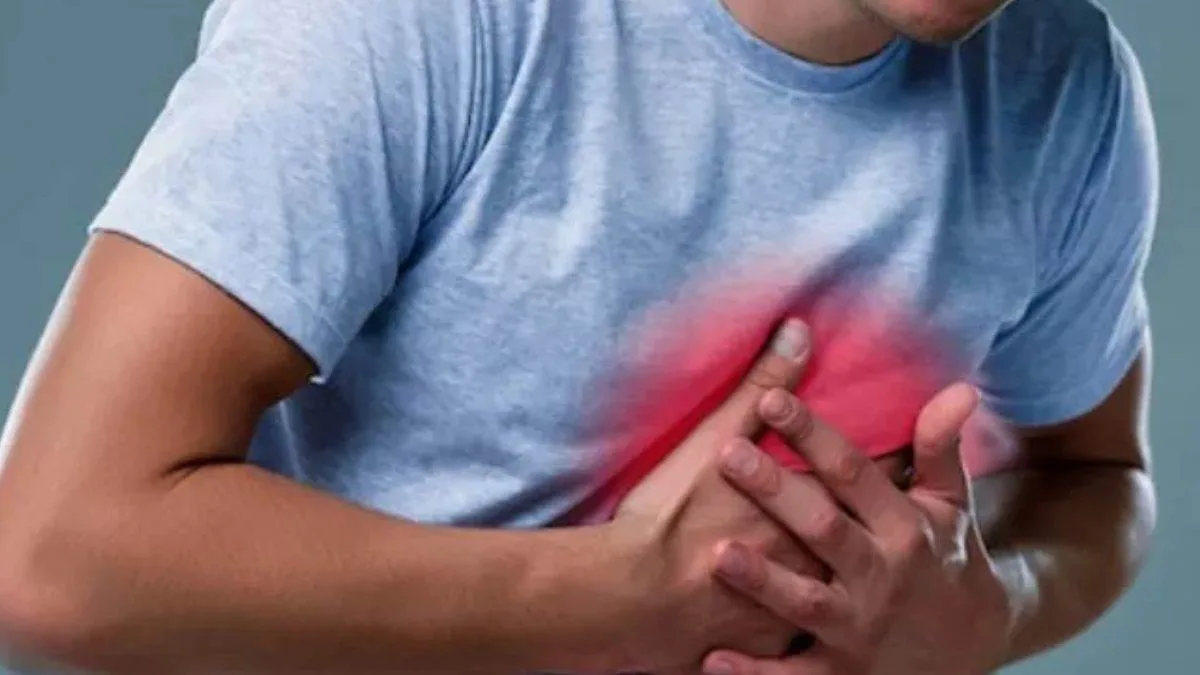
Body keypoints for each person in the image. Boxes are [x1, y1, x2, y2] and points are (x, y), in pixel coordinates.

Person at [0, 0, 1158, 672]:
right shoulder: (421, 21)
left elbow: (1099, 477)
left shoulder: (1067, 82)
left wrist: (986, 611)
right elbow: (51, 550)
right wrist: (616, 596)